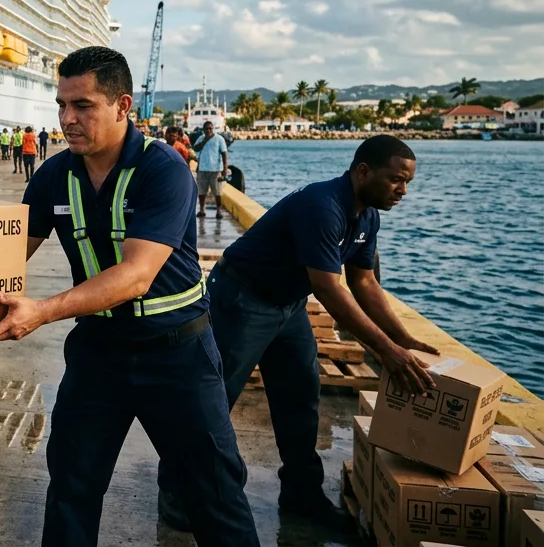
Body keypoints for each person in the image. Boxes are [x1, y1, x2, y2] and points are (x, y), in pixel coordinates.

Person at [0, 47, 258, 547]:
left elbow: (135, 276)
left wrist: (41, 311)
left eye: (83, 105)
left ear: (122, 105)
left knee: (215, 497)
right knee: (70, 491)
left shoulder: (164, 171)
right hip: (98, 354)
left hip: (178, 356)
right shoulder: (52, 176)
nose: (67, 119)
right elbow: (2, 257)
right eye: (62, 105)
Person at [156, 135, 438, 531]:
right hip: (242, 298)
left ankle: (301, 496)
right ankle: (177, 495)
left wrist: (402, 339)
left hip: (288, 305)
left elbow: (364, 282)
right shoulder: (322, 207)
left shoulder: (366, 216)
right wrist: (386, 351)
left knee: (301, 397)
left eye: (407, 181)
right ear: (362, 172)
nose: (402, 190)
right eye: (395, 179)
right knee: (212, 399)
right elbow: (328, 287)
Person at [193, 121, 229, 218]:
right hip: (202, 169)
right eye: (206, 128)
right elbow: (195, 148)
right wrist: (204, 141)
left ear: (213, 129)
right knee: (201, 192)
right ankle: (202, 210)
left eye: (210, 128)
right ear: (203, 130)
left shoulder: (219, 139)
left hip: (215, 170)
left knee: (217, 192)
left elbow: (224, 153)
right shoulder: (201, 138)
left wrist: (225, 168)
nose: (208, 130)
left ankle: (218, 211)